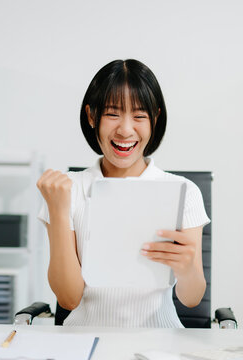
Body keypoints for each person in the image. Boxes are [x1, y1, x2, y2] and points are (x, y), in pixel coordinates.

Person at [36, 59, 210, 327]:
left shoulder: (185, 192)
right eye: (113, 114)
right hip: (84, 342)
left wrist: (187, 269)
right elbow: (69, 299)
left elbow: (191, 298)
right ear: (92, 116)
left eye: (139, 116)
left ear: (155, 119)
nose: (126, 130)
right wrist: (59, 211)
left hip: (160, 342)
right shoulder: (66, 189)